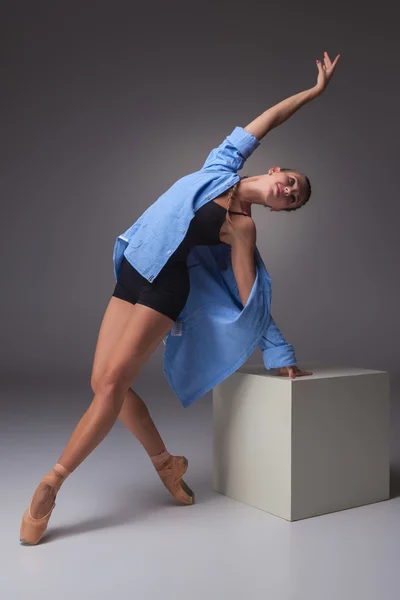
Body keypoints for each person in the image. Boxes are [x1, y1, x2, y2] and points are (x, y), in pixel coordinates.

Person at [20, 51, 340, 545]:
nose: (289, 191)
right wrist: (314, 92)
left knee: (109, 387)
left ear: (282, 208)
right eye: (292, 182)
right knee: (104, 383)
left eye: (293, 199)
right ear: (278, 169)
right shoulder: (221, 164)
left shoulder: (242, 227)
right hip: (132, 271)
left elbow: (247, 296)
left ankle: (52, 483)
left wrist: (279, 352)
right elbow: (268, 120)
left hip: (164, 290)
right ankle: (168, 465)